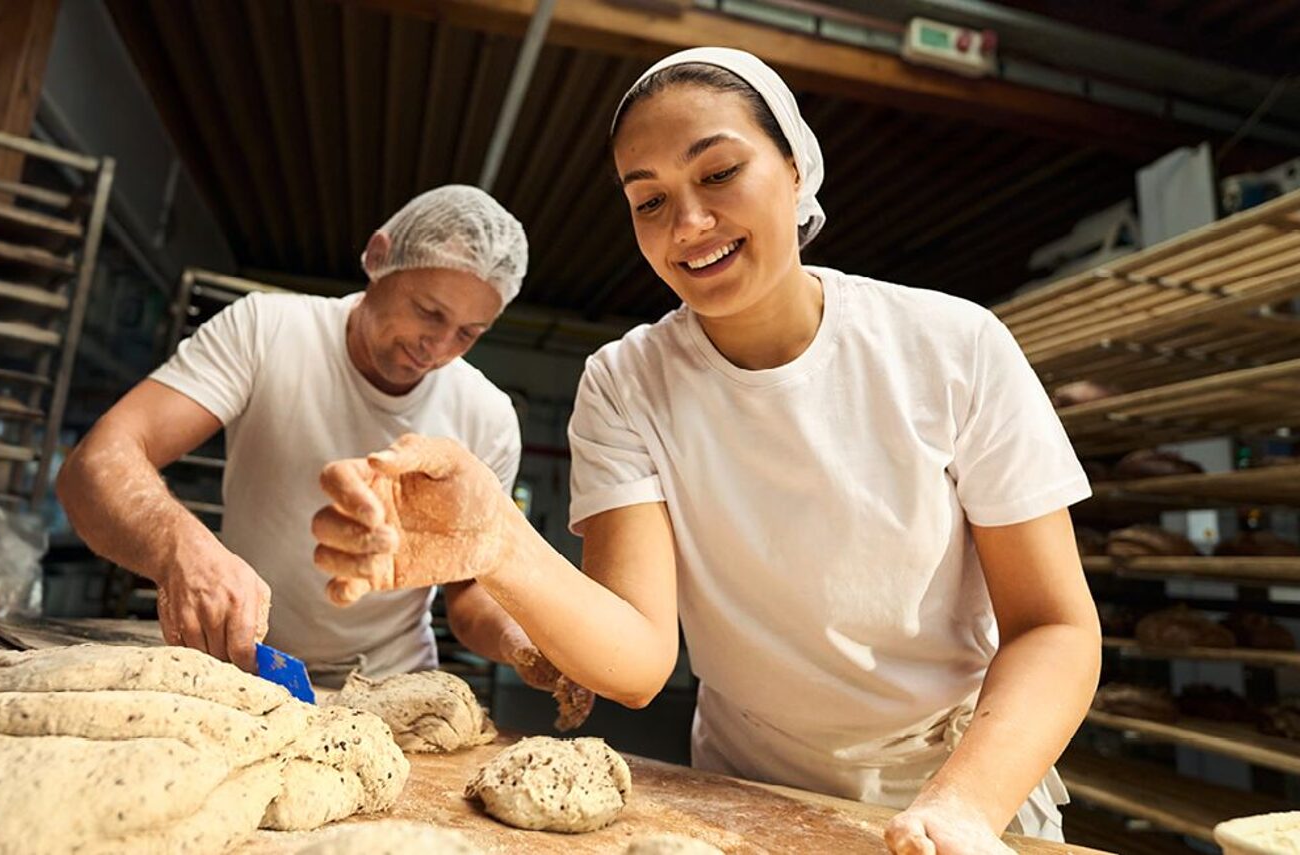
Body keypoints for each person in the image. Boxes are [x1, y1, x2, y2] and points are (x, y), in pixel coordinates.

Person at [308, 50, 1098, 853]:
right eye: (648, 200)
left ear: (795, 167)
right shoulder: (626, 382)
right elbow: (639, 657)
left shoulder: (951, 346)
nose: (687, 225)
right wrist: (498, 542)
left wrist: (964, 805)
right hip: (749, 792)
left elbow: (1053, 627)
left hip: (965, 784)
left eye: (718, 173)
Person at [57, 185, 592, 727]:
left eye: (468, 333)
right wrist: (180, 547)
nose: (438, 347)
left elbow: (470, 593)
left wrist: (527, 643)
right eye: (428, 312)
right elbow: (97, 461)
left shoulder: (487, 417)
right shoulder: (268, 331)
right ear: (379, 257)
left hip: (392, 690)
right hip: (243, 666)